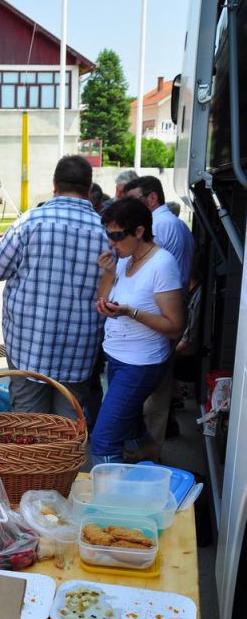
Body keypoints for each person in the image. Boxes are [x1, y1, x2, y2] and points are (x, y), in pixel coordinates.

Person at [0, 155, 110, 419]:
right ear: (89, 189)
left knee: (29, 431)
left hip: (28, 348)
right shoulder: (105, 233)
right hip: (79, 350)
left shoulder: (30, 222)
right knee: (66, 432)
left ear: (54, 184)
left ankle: (33, 461)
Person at [91, 197, 185, 464]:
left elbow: (175, 326)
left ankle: (110, 501)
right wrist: (108, 276)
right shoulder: (124, 259)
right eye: (108, 235)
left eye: (117, 236)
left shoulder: (162, 264)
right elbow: (102, 298)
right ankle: (152, 466)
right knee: (131, 427)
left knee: (104, 439)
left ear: (140, 231)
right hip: (118, 359)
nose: (112, 242)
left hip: (141, 365)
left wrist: (129, 312)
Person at [125, 174, 194, 451]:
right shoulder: (176, 223)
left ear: (151, 199)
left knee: (153, 399)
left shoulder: (160, 227)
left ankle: (146, 459)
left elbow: (149, 274)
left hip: (158, 321)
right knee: (156, 394)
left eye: (133, 203)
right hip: (165, 315)